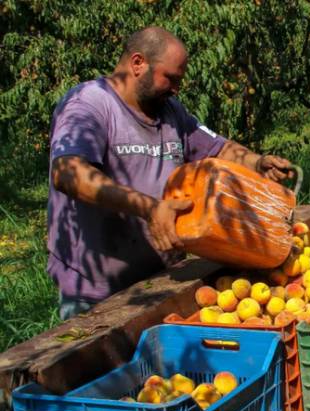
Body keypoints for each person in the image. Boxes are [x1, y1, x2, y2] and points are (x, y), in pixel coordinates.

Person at [47, 26, 293, 320]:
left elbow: (216, 148)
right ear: (138, 63)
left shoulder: (170, 111)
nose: (176, 88)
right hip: (97, 291)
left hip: (162, 279)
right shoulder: (88, 104)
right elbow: (68, 173)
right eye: (171, 78)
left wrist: (257, 162)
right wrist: (150, 209)